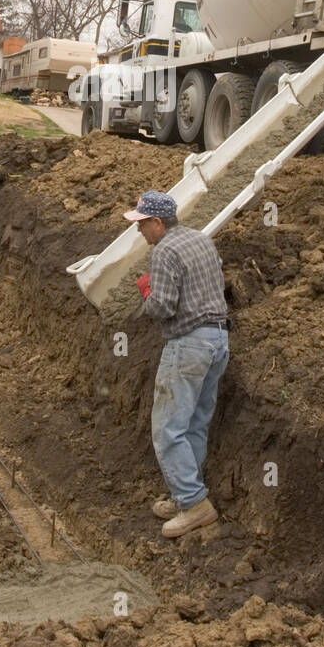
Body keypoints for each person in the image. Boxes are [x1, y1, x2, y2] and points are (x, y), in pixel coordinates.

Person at [123, 190, 229, 539]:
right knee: (195, 423)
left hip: (189, 345)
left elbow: (164, 308)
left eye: (141, 224)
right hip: (217, 341)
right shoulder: (200, 238)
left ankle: (194, 505)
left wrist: (147, 293)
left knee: (168, 429)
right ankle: (186, 496)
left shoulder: (164, 250)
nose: (139, 231)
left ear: (157, 222)